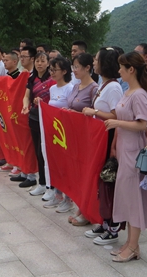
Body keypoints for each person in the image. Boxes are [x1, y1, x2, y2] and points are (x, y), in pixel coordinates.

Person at [103, 51, 147, 259]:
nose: (119, 71)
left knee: (133, 197)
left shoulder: (139, 94)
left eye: (122, 67)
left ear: (131, 69)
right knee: (126, 195)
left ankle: (134, 246)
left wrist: (118, 123)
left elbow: (144, 124)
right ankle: (129, 243)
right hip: (124, 148)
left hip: (133, 150)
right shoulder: (127, 92)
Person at [45, 53, 98, 212]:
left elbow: (94, 114)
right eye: (73, 66)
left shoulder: (94, 88)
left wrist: (75, 114)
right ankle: (60, 195)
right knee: (62, 164)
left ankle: (74, 201)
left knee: (75, 168)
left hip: (81, 135)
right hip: (65, 132)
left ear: (87, 68)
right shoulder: (75, 87)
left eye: (77, 67)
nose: (74, 70)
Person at [80, 48, 123, 232]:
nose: (94, 62)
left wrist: (95, 111)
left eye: (97, 60)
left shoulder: (113, 87)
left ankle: (111, 224)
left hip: (108, 136)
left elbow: (116, 115)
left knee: (107, 179)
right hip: (99, 137)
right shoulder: (103, 85)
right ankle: (103, 219)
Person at [21, 52, 55, 191]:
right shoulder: (32, 78)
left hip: (48, 120)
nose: (39, 64)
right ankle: (41, 183)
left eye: (42, 61)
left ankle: (50, 184)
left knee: (45, 153)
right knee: (38, 152)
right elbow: (26, 96)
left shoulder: (52, 80)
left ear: (48, 63)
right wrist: (25, 106)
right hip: (34, 118)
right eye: (37, 61)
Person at [41, 57, 74, 202]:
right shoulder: (52, 88)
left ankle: (68, 198)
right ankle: (57, 194)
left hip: (65, 133)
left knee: (66, 165)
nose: (52, 73)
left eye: (55, 70)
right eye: (51, 70)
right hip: (54, 132)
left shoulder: (70, 88)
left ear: (65, 71)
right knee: (56, 163)